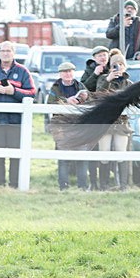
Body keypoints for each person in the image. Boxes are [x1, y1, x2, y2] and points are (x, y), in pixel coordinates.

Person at [0, 40, 36, 188]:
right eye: (3, 51)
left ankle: (15, 184)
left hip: (16, 122)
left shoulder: (23, 71)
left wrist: (14, 92)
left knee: (16, 156)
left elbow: (32, 93)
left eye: (8, 51)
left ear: (13, 53)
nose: (5, 54)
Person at [48, 61, 89, 191]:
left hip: (79, 125)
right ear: (60, 74)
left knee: (81, 156)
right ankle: (63, 186)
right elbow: (50, 103)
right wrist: (66, 102)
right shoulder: (55, 87)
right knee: (63, 157)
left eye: (70, 71)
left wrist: (81, 99)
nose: (68, 74)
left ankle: (82, 186)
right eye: (65, 72)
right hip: (61, 126)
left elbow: (89, 101)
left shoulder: (80, 85)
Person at [94, 49, 132, 190]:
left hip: (122, 123)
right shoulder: (103, 80)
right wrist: (107, 81)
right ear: (110, 66)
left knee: (121, 154)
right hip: (106, 123)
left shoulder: (128, 83)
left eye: (121, 64)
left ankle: (123, 185)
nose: (118, 67)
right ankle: (103, 185)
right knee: (104, 154)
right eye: (115, 64)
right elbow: (97, 96)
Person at [80, 45, 108, 189]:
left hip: (108, 115)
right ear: (94, 58)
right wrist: (95, 74)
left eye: (104, 55)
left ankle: (105, 183)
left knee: (106, 151)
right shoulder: (90, 70)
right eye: (99, 56)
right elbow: (83, 87)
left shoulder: (114, 68)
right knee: (93, 148)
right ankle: (93, 183)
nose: (103, 58)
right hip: (93, 114)